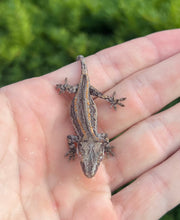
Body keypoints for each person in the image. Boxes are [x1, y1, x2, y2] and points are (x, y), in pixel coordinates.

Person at [0, 29, 179, 219]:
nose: (88, 166)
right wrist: (78, 148)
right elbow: (83, 138)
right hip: (79, 93)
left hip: (82, 94)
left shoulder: (92, 138)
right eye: (89, 162)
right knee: (62, 89)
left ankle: (95, 82)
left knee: (83, 91)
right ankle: (90, 77)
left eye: (87, 162)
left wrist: (80, 148)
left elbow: (86, 138)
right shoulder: (87, 139)